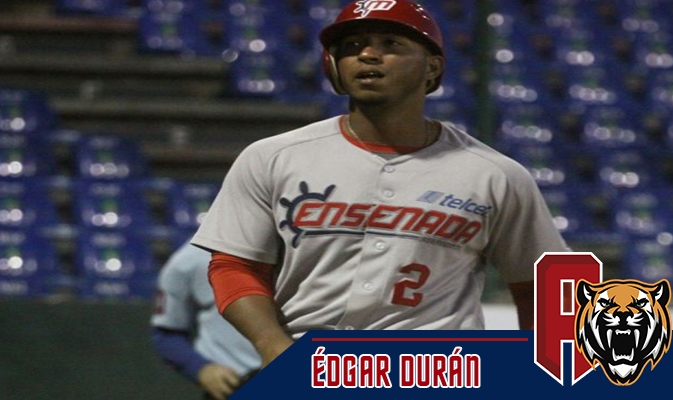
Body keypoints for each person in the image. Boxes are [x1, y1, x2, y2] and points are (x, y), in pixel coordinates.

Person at [190, 0, 570, 370]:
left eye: (391, 44)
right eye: (353, 45)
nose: (368, 55)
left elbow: (553, 286)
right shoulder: (273, 157)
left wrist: (543, 376)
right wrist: (272, 345)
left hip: (437, 372)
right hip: (312, 365)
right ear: (333, 66)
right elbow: (233, 266)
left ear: (432, 67)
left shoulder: (493, 174)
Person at [150, 239, 261, 400]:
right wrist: (201, 368)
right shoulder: (190, 258)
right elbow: (167, 332)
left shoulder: (296, 250)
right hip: (234, 382)